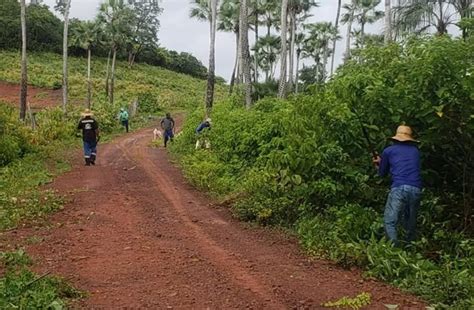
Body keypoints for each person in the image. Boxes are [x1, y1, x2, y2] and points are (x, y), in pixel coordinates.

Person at [373, 125, 422, 246]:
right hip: (416, 188)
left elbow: (382, 173)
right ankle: (409, 248)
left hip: (399, 187)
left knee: (390, 221)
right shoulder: (415, 151)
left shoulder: (388, 151)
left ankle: (393, 249)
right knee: (410, 223)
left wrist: (378, 164)